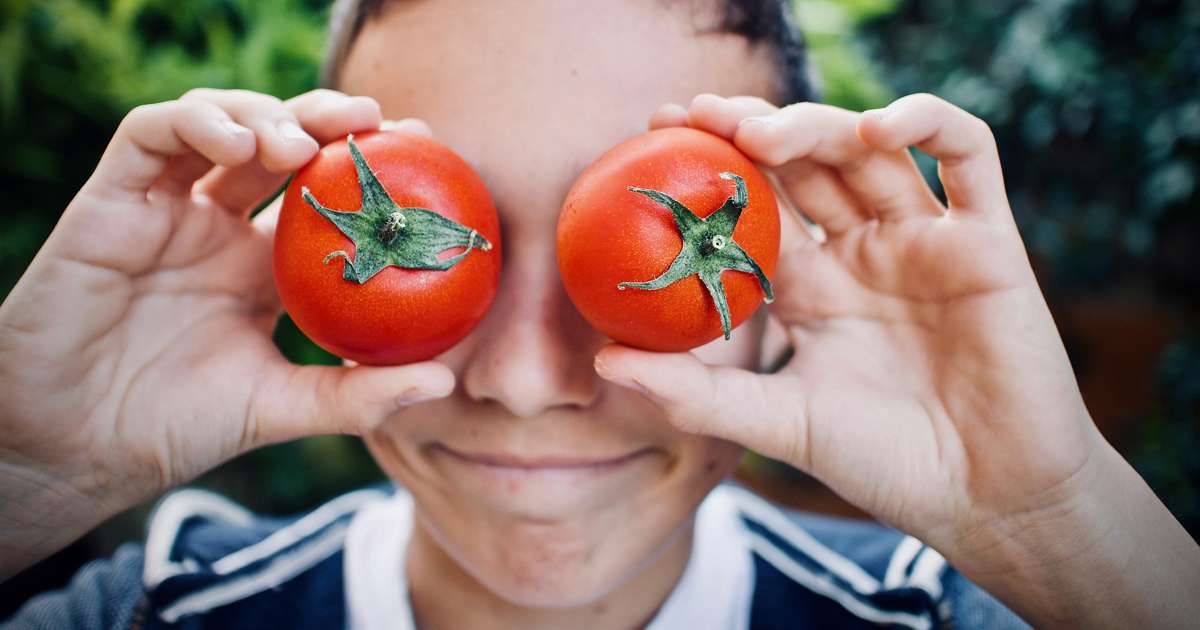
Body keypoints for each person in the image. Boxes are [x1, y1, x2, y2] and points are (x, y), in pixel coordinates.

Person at [2, 0, 1198, 628]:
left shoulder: (938, 622)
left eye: (627, 263)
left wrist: (1060, 525)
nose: (525, 380)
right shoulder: (150, 610)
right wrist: (21, 476)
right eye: (453, 242)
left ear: (783, 301)